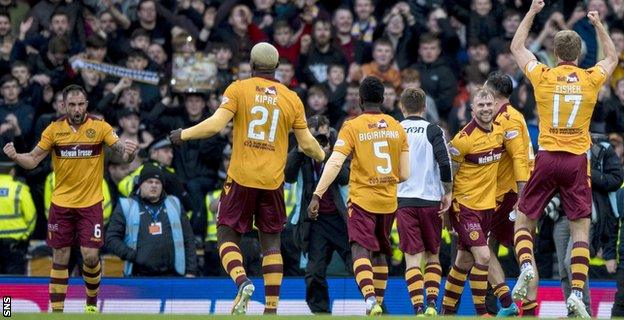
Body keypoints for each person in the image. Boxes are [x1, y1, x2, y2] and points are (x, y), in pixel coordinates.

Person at [169, 42, 325, 315]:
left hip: (241, 178)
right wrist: (325, 157)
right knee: (271, 243)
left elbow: (216, 125)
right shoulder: (291, 98)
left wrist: (183, 134)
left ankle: (242, 281)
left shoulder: (238, 89)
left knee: (226, 234)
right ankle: (271, 309)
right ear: (276, 68)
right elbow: (308, 145)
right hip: (272, 182)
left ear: (252, 65)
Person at [509, 0, 618, 317]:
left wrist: (531, 13)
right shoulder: (590, 78)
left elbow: (517, 46)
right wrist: (599, 25)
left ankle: (527, 265)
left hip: (545, 157)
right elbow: (612, 56)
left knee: (524, 221)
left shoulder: (542, 75)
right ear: (579, 55)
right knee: (580, 230)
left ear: (556, 54)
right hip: (575, 161)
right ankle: (576, 294)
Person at [2, 84, 138, 313]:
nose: (76, 109)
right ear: (64, 105)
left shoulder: (101, 127)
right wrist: (16, 156)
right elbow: (33, 159)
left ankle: (92, 304)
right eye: (72, 105)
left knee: (91, 257)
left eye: (80, 104)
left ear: (86, 105)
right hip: (62, 205)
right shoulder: (53, 130)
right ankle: (57, 312)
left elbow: (123, 156)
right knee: (60, 256)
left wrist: (131, 152)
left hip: (91, 203)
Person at [308, 76, 409, 315]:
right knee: (381, 253)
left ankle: (370, 299)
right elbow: (405, 173)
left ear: (360, 101)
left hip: (363, 200)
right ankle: (379, 303)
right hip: (388, 201)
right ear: (383, 100)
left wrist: (317, 194)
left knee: (360, 249)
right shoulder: (396, 126)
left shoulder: (352, 126)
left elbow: (334, 162)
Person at [285, 115, 350, 314]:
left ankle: (377, 305)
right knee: (313, 272)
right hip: (315, 223)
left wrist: (328, 155)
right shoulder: (303, 152)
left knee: (359, 265)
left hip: (341, 219)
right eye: (315, 137)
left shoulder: (341, 149)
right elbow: (288, 175)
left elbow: (344, 177)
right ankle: (321, 313)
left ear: (329, 131)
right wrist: (300, 148)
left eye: (322, 135)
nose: (319, 142)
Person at [395, 88, 452, 315]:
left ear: (402, 107)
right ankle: (431, 305)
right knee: (432, 255)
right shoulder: (433, 130)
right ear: (424, 108)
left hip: (404, 201)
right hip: (430, 202)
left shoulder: (395, 130)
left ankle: (418, 307)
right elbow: (445, 163)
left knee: (412, 259)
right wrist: (447, 192)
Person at [484, 71, 533, 316]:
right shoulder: (511, 116)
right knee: (514, 245)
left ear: (493, 93)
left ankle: (508, 301)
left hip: (510, 192)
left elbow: (519, 159)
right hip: (505, 191)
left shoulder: (508, 120)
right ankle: (515, 304)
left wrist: (522, 197)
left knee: (483, 246)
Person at [105, 166, 197, 277]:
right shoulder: (126, 206)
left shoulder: (174, 204)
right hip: (138, 276)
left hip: (173, 276)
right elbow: (111, 239)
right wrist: (132, 255)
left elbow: (188, 238)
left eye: (158, 182)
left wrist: (191, 271)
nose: (154, 185)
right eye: (149, 182)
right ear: (140, 184)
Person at [0, 153, 36, 275]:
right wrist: (26, 235)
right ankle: (7, 296)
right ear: (12, 172)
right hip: (15, 244)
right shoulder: (19, 188)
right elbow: (31, 217)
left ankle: (3, 296)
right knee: (13, 283)